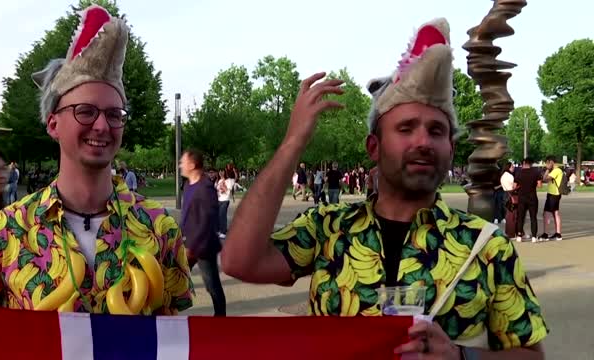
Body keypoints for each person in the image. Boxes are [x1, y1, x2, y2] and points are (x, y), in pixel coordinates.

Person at [222, 18, 546, 358]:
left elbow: (532, 353)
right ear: (374, 147)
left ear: (451, 149)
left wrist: (462, 356)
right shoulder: (328, 228)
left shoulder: (486, 246)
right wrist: (293, 143)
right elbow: (239, 261)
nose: (423, 141)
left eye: (437, 131)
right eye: (405, 128)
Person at [0, 5, 193, 315]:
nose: (102, 126)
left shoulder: (160, 226)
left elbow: (175, 330)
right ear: (53, 124)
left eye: (114, 114)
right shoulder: (7, 228)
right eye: (85, 111)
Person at [179, 149, 226, 316]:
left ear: (192, 165)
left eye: (182, 162)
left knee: (212, 285)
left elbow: (208, 221)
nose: (180, 165)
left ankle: (221, 318)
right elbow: (187, 214)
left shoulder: (206, 188)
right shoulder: (187, 185)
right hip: (187, 243)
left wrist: (193, 245)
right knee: (176, 278)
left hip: (202, 246)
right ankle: (168, 313)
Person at [514, 158, 542, 243]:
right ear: (531, 164)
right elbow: (540, 185)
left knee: (520, 217)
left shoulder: (519, 173)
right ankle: (534, 236)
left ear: (524, 163)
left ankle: (519, 236)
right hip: (532, 197)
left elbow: (514, 186)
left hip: (522, 198)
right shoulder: (536, 172)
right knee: (533, 217)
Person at [540, 155, 563, 241]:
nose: (546, 165)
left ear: (551, 162)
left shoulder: (556, 170)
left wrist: (547, 170)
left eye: (547, 163)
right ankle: (558, 234)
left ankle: (546, 233)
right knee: (555, 213)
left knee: (546, 214)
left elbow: (545, 179)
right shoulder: (557, 170)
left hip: (553, 194)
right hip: (555, 194)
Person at [500, 162, 517, 238]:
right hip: (511, 195)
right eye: (512, 167)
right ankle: (512, 232)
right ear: (508, 167)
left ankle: (508, 231)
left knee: (508, 214)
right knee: (513, 215)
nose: (513, 168)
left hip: (505, 195)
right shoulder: (510, 176)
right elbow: (513, 186)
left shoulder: (503, 176)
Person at [216, 169, 231, 238]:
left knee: (222, 215)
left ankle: (224, 232)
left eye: (222, 171)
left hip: (225, 200)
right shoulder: (219, 180)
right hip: (219, 200)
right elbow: (218, 190)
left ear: (225, 173)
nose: (221, 173)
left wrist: (222, 186)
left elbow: (227, 191)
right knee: (218, 215)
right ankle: (219, 230)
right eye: (220, 171)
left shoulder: (228, 181)